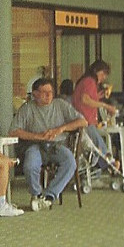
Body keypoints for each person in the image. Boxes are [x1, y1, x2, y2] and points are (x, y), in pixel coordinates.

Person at [9, 77, 88, 211]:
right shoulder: (27, 108)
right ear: (35, 94)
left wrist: (61, 129)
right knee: (30, 165)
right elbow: (13, 131)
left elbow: (83, 122)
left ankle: (49, 196)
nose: (48, 96)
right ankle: (37, 194)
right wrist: (37, 136)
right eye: (44, 92)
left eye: (50, 92)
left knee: (70, 162)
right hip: (35, 146)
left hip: (57, 145)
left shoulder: (60, 104)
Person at [72, 60, 119, 173]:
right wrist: (105, 105)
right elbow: (85, 100)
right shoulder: (89, 81)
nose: (103, 78)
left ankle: (106, 164)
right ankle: (109, 163)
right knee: (98, 144)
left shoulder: (86, 82)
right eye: (103, 74)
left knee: (95, 144)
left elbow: (85, 98)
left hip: (83, 119)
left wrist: (97, 96)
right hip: (85, 120)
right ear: (96, 71)